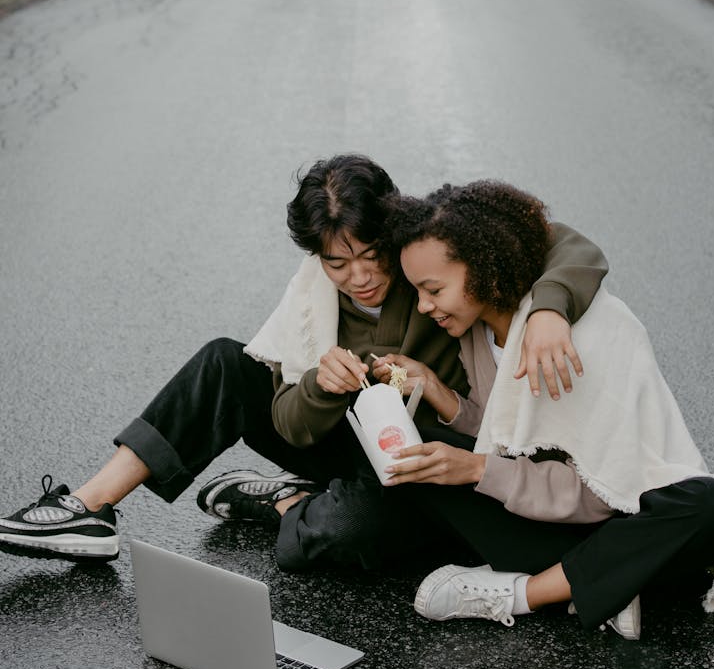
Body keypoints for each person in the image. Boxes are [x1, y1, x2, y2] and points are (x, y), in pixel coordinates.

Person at [0, 155, 608, 570]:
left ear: (391, 231)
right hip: (347, 436)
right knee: (222, 361)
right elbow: (291, 424)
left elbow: (564, 242)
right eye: (338, 264)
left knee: (335, 540)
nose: (361, 278)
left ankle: (286, 504)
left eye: (372, 256)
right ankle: (88, 509)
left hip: (429, 453)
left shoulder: (430, 243)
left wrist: (550, 309)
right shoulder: (313, 294)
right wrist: (320, 383)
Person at [371, 180, 714, 639]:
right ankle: (610, 584)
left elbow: (600, 493)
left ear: (486, 267)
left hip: (620, 520)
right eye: (417, 291)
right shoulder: (477, 332)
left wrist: (476, 469)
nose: (424, 305)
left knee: (711, 504)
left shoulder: (577, 340)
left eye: (432, 289)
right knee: (416, 451)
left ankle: (520, 595)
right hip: (555, 521)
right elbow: (509, 433)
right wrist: (435, 390)